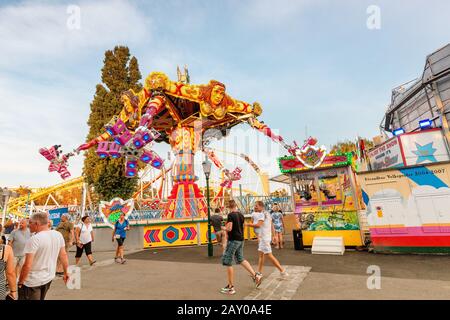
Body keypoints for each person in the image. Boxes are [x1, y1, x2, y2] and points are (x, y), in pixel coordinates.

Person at [18, 212, 69, 300]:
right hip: (48, 278)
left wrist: (20, 282)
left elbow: (27, 265)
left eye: (30, 222)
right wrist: (66, 272)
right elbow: (63, 255)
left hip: (32, 281)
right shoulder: (57, 235)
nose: (28, 225)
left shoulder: (34, 239)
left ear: (37, 223)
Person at [221, 200, 262, 295]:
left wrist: (222, 228)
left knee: (228, 261)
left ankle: (231, 287)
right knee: (240, 259)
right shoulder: (241, 215)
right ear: (236, 206)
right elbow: (243, 227)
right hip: (240, 239)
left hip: (233, 240)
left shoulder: (231, 215)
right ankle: (255, 275)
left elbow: (229, 228)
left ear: (229, 207)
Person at [246, 201, 288, 287]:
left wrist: (247, 224)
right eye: (255, 206)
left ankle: (282, 271)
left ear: (261, 206)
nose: (255, 207)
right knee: (261, 255)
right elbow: (271, 224)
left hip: (264, 238)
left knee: (270, 256)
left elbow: (258, 225)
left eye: (256, 206)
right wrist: (274, 236)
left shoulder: (263, 214)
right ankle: (259, 273)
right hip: (265, 238)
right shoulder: (267, 213)